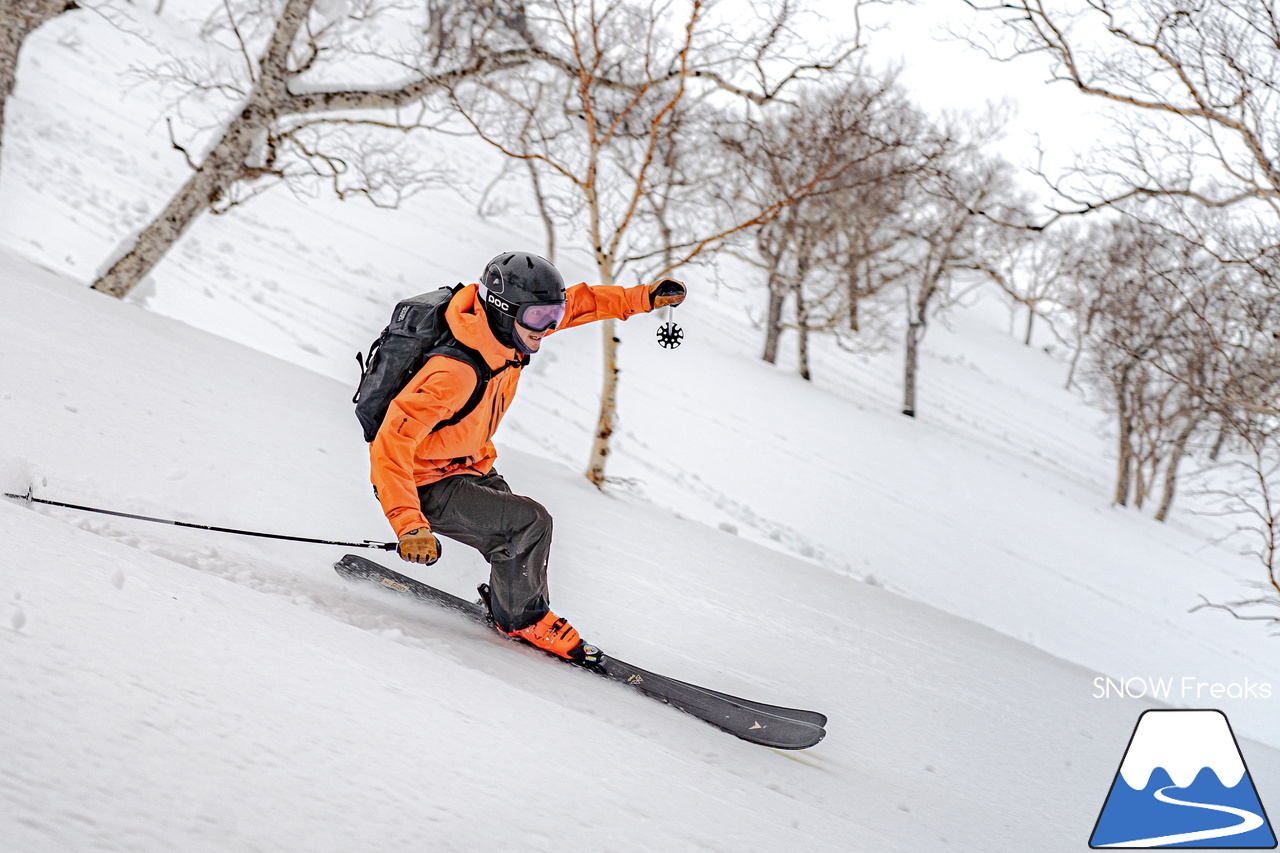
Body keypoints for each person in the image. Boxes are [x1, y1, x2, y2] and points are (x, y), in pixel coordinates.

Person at [369, 251, 686, 662]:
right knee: (528, 524)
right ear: (504, 312)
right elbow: (390, 445)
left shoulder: (505, 333)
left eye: (552, 315)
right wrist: (410, 526)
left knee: (516, 535)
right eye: (540, 318)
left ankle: (511, 605)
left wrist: (642, 298)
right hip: (421, 482)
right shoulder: (454, 372)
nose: (549, 327)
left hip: (468, 463)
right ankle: (522, 620)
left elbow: (580, 304)